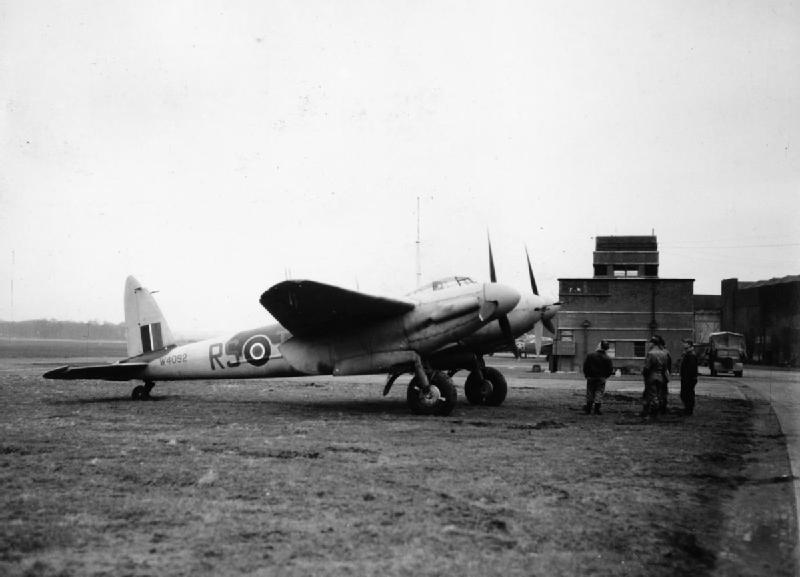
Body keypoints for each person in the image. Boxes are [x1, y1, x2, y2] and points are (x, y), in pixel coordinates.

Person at [642, 335, 672, 419]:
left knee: (652, 395)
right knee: (660, 395)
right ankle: (660, 411)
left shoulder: (651, 353)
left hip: (652, 376)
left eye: (650, 342)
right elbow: (666, 367)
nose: (649, 344)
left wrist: (645, 374)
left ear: (653, 343)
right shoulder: (664, 353)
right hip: (661, 376)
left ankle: (653, 414)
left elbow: (647, 367)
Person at [582, 340, 614, 415]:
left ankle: (588, 409)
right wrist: (606, 376)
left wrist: (586, 375)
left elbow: (585, 366)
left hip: (591, 377)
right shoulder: (607, 358)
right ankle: (597, 410)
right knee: (599, 392)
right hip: (601, 377)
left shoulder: (590, 355)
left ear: (599, 346)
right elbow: (610, 369)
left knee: (590, 392)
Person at [679, 340, 699, 415]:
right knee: (686, 394)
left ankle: (689, 409)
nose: (683, 344)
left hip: (689, 378)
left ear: (689, 345)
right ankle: (688, 408)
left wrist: (688, 378)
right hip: (687, 378)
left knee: (687, 394)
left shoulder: (691, 355)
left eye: (685, 343)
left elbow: (691, 368)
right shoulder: (687, 353)